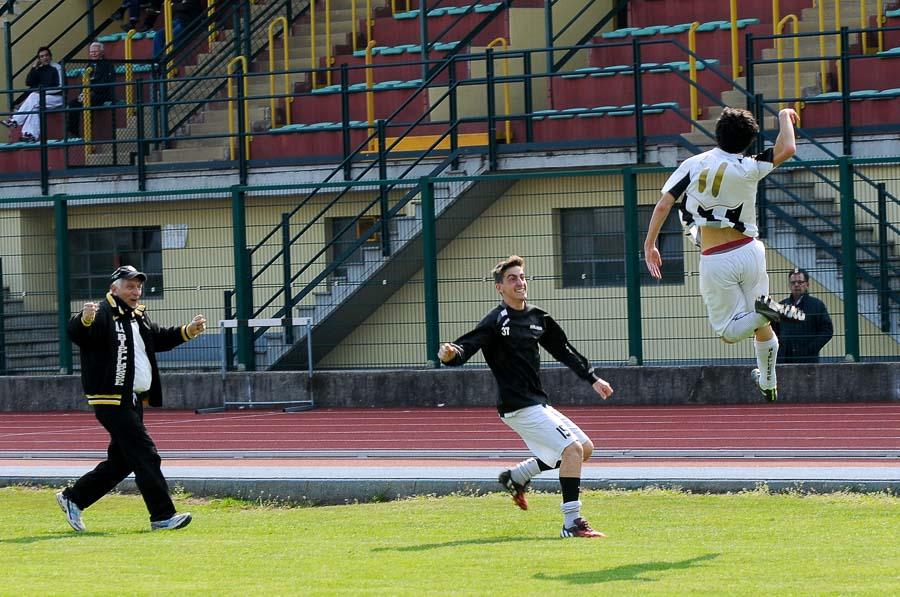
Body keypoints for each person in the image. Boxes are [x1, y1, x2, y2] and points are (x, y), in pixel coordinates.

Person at [438, 255, 614, 539]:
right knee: (571, 451)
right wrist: (450, 354)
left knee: (585, 448)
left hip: (537, 402)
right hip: (517, 405)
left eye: (522, 277)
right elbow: (466, 346)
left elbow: (564, 350)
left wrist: (592, 378)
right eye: (512, 279)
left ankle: (517, 476)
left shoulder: (537, 317)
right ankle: (572, 523)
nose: (520, 282)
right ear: (500, 288)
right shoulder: (496, 320)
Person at [643, 107, 806, 402]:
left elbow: (664, 205)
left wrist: (650, 244)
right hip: (750, 250)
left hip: (716, 256)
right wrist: (783, 116)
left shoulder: (693, 164)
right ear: (749, 140)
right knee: (761, 321)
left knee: (729, 332)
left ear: (717, 133)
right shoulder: (751, 165)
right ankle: (768, 382)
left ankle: (768, 310)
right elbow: (789, 147)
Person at [56, 265, 207, 532]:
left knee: (123, 460)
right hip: (110, 400)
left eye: (138, 286)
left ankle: (74, 498)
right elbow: (77, 333)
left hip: (133, 399)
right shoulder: (102, 313)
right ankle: (162, 516)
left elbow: (158, 338)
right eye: (130, 286)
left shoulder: (138, 317)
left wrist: (189, 330)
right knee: (146, 454)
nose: (136, 291)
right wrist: (85, 318)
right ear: (114, 288)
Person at [1, 47, 65, 142]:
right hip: (43, 98)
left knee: (33, 97)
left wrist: (42, 92)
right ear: (39, 59)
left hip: (58, 98)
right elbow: (29, 82)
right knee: (35, 106)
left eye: (46, 55)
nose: (45, 58)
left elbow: (60, 87)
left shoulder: (57, 68)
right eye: (42, 56)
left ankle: (15, 121)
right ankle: (30, 135)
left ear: (50, 56)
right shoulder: (40, 69)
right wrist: (33, 67)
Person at [772, 268, 833, 363]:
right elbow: (773, 331)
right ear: (789, 285)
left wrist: (811, 349)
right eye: (793, 282)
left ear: (807, 285)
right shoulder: (781, 306)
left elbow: (827, 330)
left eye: (800, 282)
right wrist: (780, 348)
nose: (796, 285)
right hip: (784, 359)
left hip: (807, 360)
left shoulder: (817, 305)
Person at [67, 42, 117, 139]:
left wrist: (90, 93)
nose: (93, 54)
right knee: (73, 104)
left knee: (89, 102)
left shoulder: (107, 65)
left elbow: (106, 84)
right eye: (91, 52)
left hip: (103, 94)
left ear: (102, 52)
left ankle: (88, 134)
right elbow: (84, 81)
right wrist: (82, 93)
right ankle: (73, 133)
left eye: (95, 51)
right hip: (89, 94)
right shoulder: (89, 65)